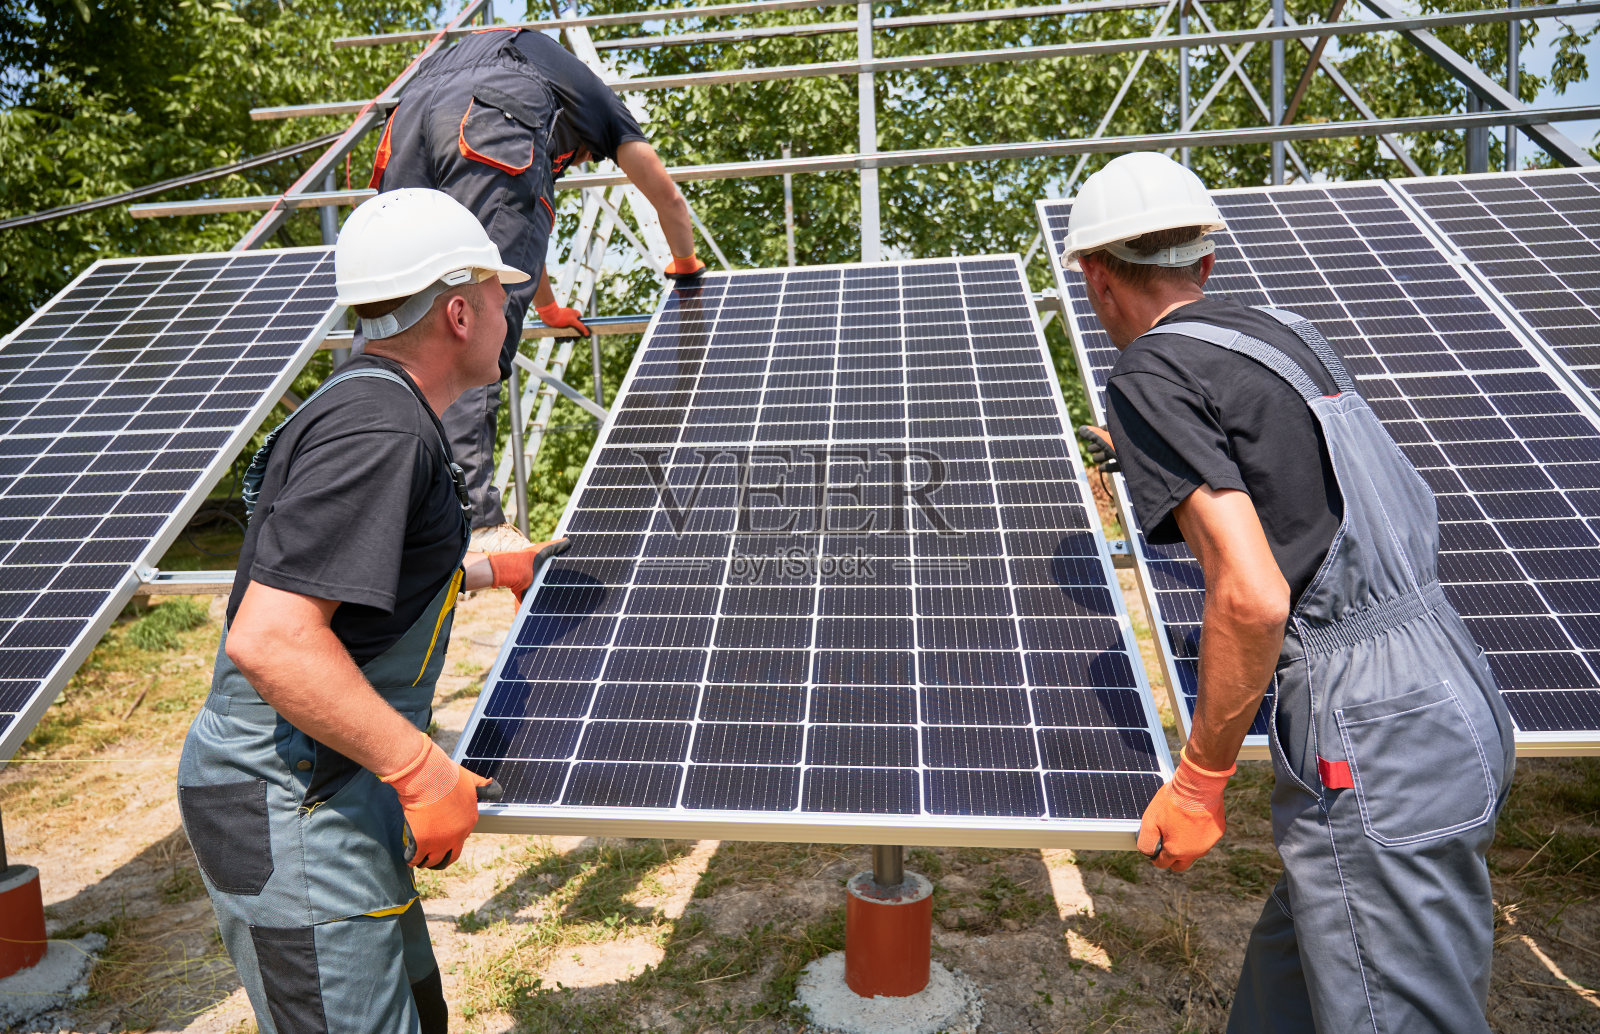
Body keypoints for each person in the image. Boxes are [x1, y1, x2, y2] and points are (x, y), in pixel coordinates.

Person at [1066, 152, 1516, 1033]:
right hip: (1452, 684)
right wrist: (1159, 456)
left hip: (1371, 728)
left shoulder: (1150, 375)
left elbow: (1252, 595)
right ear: (1204, 262)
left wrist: (1200, 783)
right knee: (1294, 996)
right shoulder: (1284, 332)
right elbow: (1295, 475)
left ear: (1097, 277)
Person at [177, 189, 567, 1034]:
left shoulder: (370, 405)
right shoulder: (380, 430)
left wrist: (487, 570)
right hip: (292, 803)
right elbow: (273, 638)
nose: (512, 318)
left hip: (338, 785)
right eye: (505, 299)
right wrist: (423, 772)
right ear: (460, 312)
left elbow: (350, 577)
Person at [370, 25, 707, 551]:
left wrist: (547, 309)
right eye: (583, 158)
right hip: (492, 120)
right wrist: (686, 265)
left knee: (396, 308)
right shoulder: (601, 108)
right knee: (476, 321)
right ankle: (478, 523)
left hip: (409, 121)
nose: (574, 164)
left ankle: (367, 488)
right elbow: (668, 199)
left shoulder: (531, 65)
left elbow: (512, 236)